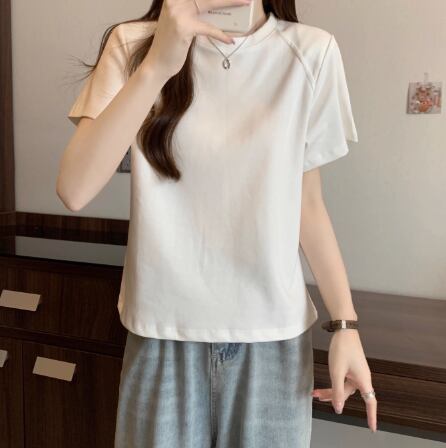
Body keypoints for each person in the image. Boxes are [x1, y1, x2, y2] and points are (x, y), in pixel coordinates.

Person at [57, 0, 378, 446]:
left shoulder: (311, 51)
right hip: (162, 332)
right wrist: (158, 65)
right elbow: (74, 189)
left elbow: (306, 203)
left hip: (272, 337)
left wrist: (345, 326)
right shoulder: (133, 44)